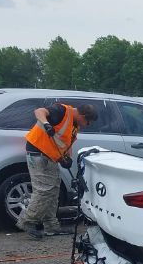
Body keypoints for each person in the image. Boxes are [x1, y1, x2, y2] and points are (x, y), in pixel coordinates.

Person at [18, 102, 97, 238]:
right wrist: (46, 124)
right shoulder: (61, 111)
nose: (87, 125)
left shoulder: (74, 124)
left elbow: (62, 142)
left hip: (50, 156)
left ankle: (51, 226)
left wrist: (64, 158)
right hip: (38, 153)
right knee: (44, 190)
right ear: (82, 116)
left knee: (53, 190)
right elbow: (39, 111)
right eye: (88, 121)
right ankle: (27, 220)